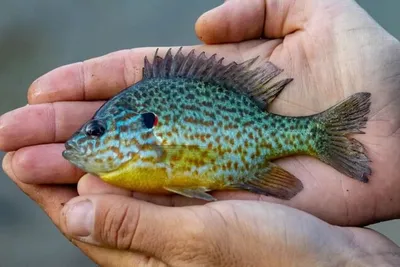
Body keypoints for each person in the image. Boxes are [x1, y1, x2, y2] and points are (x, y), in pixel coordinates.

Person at [1, 0, 400, 265]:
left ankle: (316, 134)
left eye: (97, 130)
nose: (82, 141)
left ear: (139, 130)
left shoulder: (145, 151)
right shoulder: (129, 160)